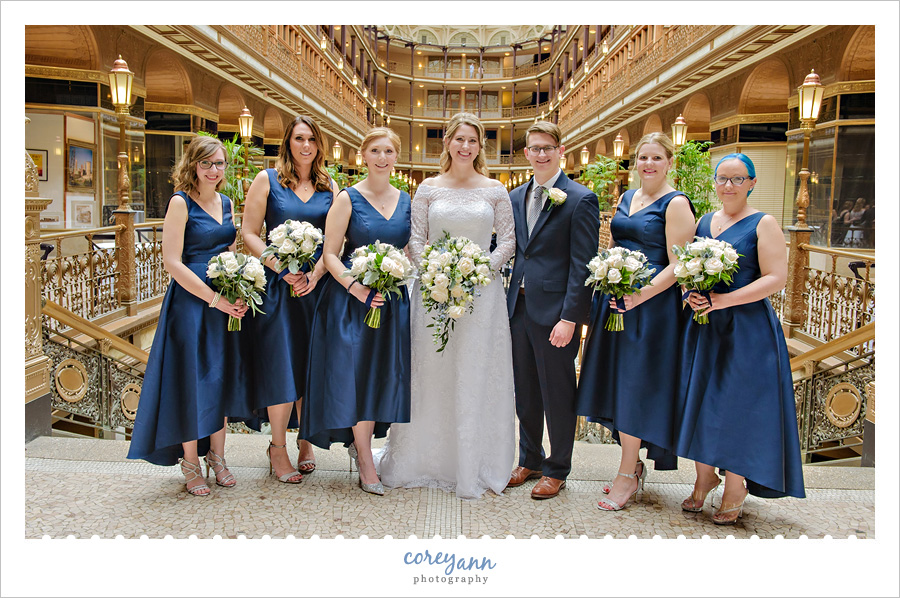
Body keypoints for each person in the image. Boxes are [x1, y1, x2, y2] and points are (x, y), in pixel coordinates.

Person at [375, 113, 516, 499]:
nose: (465, 147)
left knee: (474, 372)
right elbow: (415, 240)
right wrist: (437, 272)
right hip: (433, 295)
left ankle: (473, 463)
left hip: (482, 296)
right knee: (433, 372)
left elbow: (506, 243)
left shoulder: (495, 190)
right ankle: (423, 458)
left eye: (472, 141)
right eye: (459, 140)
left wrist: (475, 272)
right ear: (448, 143)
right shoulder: (428, 189)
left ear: (479, 146)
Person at [677, 153, 805, 524]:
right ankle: (704, 478)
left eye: (737, 179)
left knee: (736, 407)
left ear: (751, 183)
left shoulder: (763, 223)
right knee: (699, 399)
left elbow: (776, 278)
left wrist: (724, 300)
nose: (728, 186)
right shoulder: (705, 221)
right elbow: (686, 269)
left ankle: (736, 485)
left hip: (746, 331)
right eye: (722, 179)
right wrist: (692, 292)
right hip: (705, 326)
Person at [575, 132, 696, 511]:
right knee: (616, 383)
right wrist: (608, 273)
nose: (648, 164)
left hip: (651, 309)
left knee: (634, 387)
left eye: (656, 158)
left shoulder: (675, 204)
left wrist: (639, 294)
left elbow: (680, 265)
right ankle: (631, 465)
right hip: (615, 301)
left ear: (669, 162)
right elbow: (615, 245)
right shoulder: (628, 198)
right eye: (643, 157)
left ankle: (628, 473)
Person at [127, 135, 249, 496]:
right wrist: (213, 299)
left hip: (224, 302)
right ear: (193, 165)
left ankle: (219, 456)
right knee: (192, 380)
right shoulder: (180, 202)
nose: (214, 170)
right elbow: (173, 263)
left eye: (220, 163)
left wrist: (239, 290)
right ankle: (191, 462)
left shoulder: (227, 203)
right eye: (207, 163)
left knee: (221, 377)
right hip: (191, 306)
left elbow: (231, 252)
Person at [300, 127, 411, 496]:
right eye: (375, 150)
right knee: (359, 378)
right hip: (350, 303)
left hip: (390, 303)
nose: (382, 158)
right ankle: (365, 458)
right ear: (364, 155)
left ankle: (363, 446)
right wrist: (357, 287)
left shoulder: (407, 200)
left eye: (389, 151)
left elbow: (410, 250)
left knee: (381, 377)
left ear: (397, 157)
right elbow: (330, 254)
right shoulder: (348, 198)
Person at [240, 115, 337, 483]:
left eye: (312, 139)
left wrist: (314, 275)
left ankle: (305, 439)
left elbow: (335, 240)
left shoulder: (330, 186)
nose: (306, 146)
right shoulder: (267, 180)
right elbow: (249, 233)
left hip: (315, 288)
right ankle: (277, 448)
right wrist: (281, 268)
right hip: (278, 288)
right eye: (299, 138)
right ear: (288, 141)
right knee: (282, 364)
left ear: (319, 144)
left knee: (310, 363)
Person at [505, 121, 599, 500]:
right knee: (525, 392)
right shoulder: (514, 197)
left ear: (561, 151)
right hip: (518, 307)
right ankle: (530, 458)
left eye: (548, 147)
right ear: (526, 153)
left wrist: (570, 318)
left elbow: (583, 265)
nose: (541, 154)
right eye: (534, 148)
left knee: (557, 393)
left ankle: (557, 468)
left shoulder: (579, 199)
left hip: (557, 313)